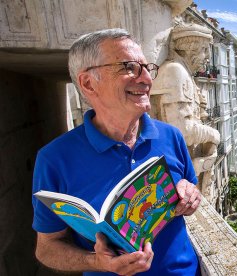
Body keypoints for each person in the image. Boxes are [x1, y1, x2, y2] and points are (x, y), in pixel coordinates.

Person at [32, 28, 201, 276]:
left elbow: (192, 189)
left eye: (147, 67)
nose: (146, 79)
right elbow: (46, 249)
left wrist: (190, 194)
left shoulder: (171, 136)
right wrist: (97, 262)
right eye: (129, 67)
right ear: (88, 83)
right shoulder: (54, 159)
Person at [151, 23, 220, 197]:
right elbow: (183, 130)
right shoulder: (175, 71)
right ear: (191, 48)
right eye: (205, 50)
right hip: (175, 172)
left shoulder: (184, 73)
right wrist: (213, 135)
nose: (207, 58)